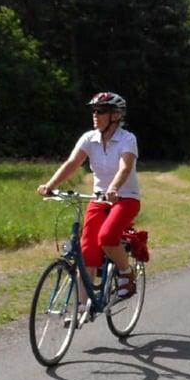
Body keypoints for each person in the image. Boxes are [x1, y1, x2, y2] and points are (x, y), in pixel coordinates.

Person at [37, 92, 141, 301]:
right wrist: (50, 185)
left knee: (107, 237)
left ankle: (126, 272)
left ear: (115, 115)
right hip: (99, 198)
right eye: (94, 111)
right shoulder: (89, 138)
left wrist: (113, 188)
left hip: (125, 197)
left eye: (101, 111)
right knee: (88, 251)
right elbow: (72, 164)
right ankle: (82, 307)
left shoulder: (127, 139)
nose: (95, 115)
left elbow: (125, 167)